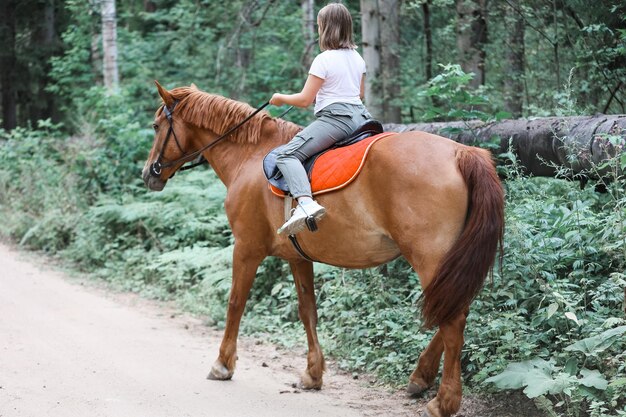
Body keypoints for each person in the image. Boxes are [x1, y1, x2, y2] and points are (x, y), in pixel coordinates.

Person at [270, 2, 372, 236]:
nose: (318, 30)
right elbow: (360, 94)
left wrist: (280, 98)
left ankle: (306, 203)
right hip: (363, 118)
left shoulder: (324, 59)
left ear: (326, 28)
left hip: (338, 120)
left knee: (286, 154)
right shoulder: (357, 57)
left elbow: (305, 99)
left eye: (319, 26)